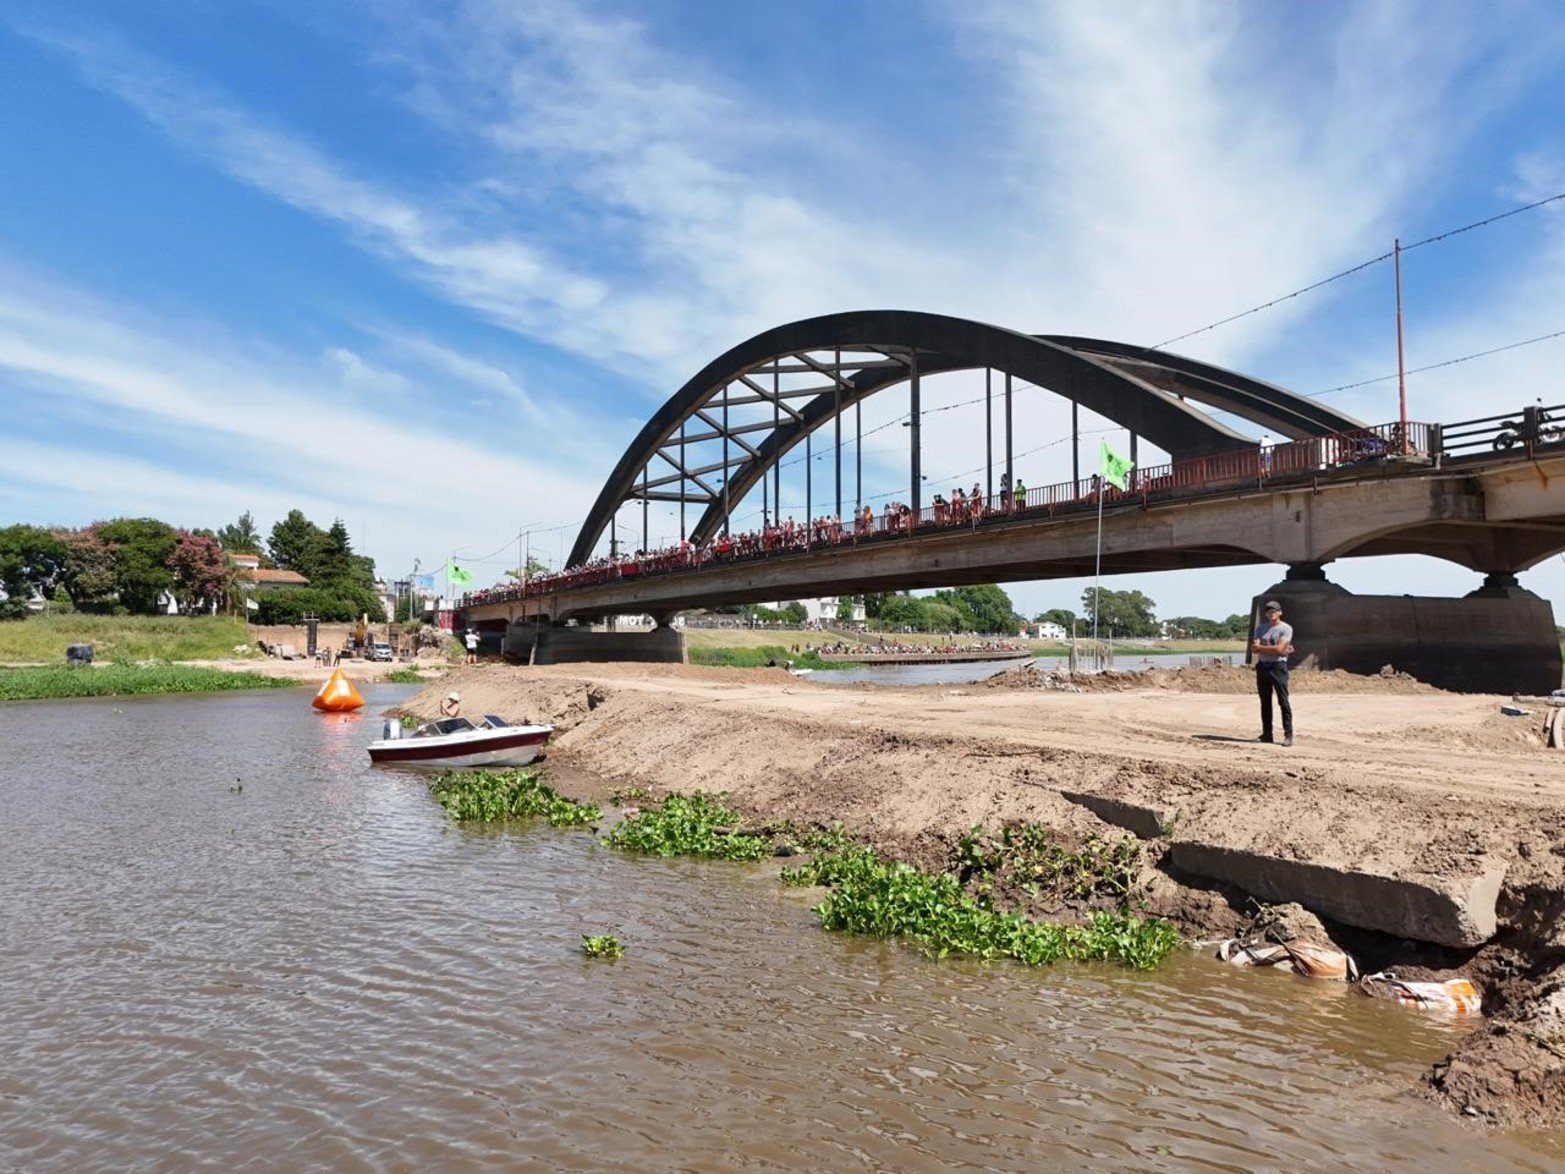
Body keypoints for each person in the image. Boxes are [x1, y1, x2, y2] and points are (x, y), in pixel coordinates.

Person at [1251, 600, 1294, 746]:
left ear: (1280, 612)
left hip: (1278, 667)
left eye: (1274, 611)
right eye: (1269, 611)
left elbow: (1280, 650)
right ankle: (1267, 734)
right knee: (1265, 702)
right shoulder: (1260, 628)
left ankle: (1288, 735)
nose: (1271, 613)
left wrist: (1262, 648)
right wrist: (1271, 648)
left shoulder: (1286, 629)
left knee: (1283, 701)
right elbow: (1254, 648)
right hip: (1263, 666)